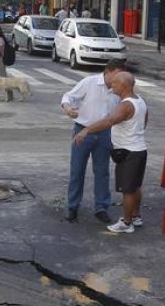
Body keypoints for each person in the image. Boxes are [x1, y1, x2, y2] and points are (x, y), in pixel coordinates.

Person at [75, 72, 147, 234]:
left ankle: (127, 223)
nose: (111, 86)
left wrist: (86, 130)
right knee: (135, 186)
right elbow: (144, 122)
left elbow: (108, 121)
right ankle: (136, 216)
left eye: (115, 84)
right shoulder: (140, 101)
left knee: (127, 189)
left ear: (124, 86)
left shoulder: (125, 105)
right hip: (139, 148)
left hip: (129, 152)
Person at [62, 58, 127, 224]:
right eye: (118, 74)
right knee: (77, 170)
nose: (120, 78)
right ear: (109, 71)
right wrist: (69, 109)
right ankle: (72, 206)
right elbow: (68, 97)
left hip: (105, 134)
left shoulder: (119, 89)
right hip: (82, 131)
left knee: (102, 171)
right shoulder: (89, 82)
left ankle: (101, 207)